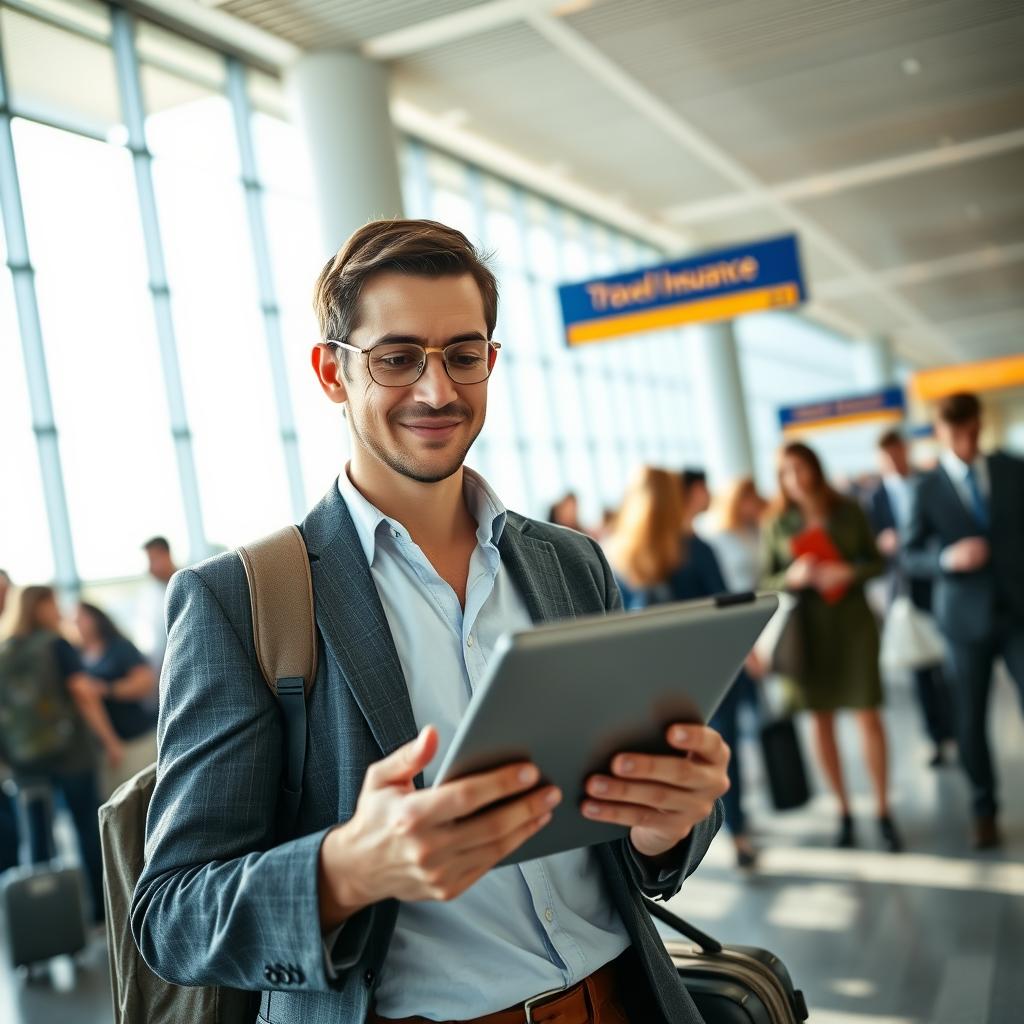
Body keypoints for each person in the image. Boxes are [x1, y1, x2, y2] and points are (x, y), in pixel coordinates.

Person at [132, 219, 729, 1024]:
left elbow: (630, 845)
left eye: (463, 353)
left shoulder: (570, 564)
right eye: (397, 357)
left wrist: (667, 824)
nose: (438, 390)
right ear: (332, 373)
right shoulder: (241, 602)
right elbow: (171, 914)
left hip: (624, 1000)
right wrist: (348, 866)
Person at [609, 467, 759, 869]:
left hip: (651, 681)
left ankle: (673, 837)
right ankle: (739, 834)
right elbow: (727, 607)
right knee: (721, 756)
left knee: (669, 762)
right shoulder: (694, 547)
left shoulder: (617, 555)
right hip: (707, 672)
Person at [761, 442, 902, 852]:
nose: (796, 479)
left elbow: (876, 562)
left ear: (815, 469)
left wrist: (848, 570)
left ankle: (882, 809)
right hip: (808, 634)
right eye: (786, 472)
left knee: (868, 717)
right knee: (820, 724)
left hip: (852, 626)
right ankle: (844, 811)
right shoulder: (777, 523)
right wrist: (792, 575)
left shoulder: (848, 509)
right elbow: (762, 582)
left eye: (801, 468)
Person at [903, 392, 1024, 850]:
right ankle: (983, 808)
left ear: (980, 424)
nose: (964, 441)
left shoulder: (1013, 469)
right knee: (970, 718)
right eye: (954, 433)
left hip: (1018, 611)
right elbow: (911, 556)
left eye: (970, 431)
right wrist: (947, 558)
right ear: (940, 432)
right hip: (964, 619)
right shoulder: (926, 489)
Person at [0, 586, 122, 920]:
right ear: (38, 607)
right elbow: (83, 694)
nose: (57, 610)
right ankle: (100, 914)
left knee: (38, 839)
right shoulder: (56, 645)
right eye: (52, 603)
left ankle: (45, 920)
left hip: (25, 762)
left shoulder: (5, 651)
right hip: (71, 756)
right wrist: (110, 740)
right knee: (87, 829)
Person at [866, 431, 955, 767]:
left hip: (934, 583)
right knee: (919, 669)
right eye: (886, 457)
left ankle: (955, 730)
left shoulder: (930, 484)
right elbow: (869, 546)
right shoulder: (875, 499)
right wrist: (882, 543)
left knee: (948, 663)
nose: (893, 462)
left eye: (896, 454)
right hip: (901, 590)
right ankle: (936, 737)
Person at [74, 602, 158, 798]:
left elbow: (146, 683)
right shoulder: (78, 654)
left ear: (96, 619)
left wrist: (107, 689)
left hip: (135, 738)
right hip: (103, 747)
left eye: (81, 616)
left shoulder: (120, 647)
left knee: (144, 797)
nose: (76, 622)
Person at [139, 535, 178, 679]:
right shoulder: (150, 594)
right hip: (159, 670)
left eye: (152, 560)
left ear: (166, 555)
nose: (149, 568)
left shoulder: (189, 585)